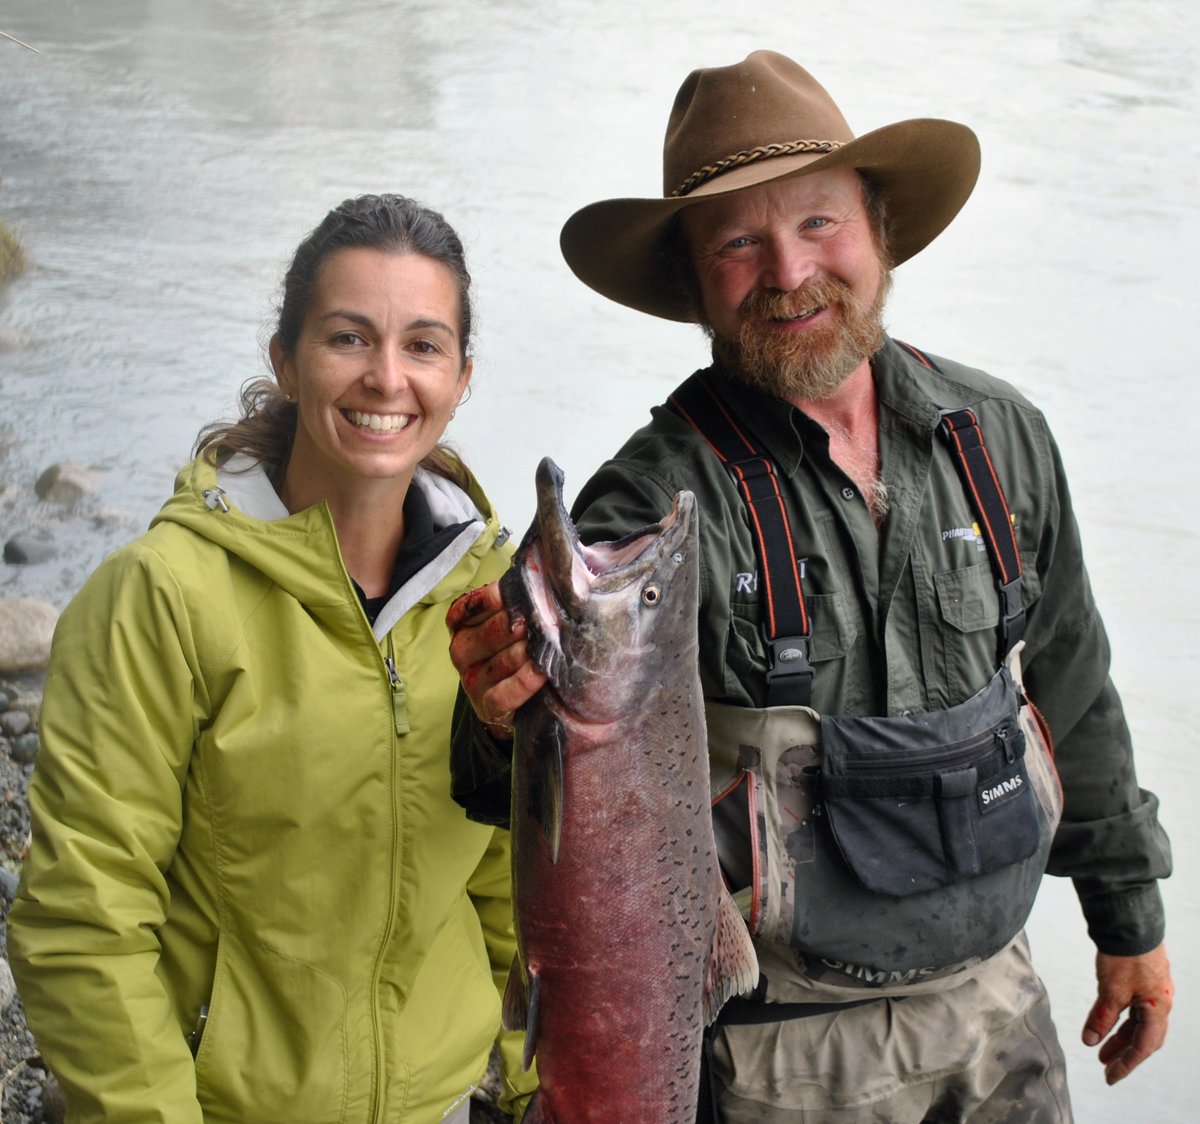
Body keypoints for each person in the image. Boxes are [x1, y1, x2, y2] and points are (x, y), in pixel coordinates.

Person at [445, 51, 1174, 1122]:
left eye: (820, 223)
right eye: (739, 241)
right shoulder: (642, 510)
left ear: (879, 230)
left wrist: (1130, 917)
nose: (789, 272)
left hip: (1001, 1016)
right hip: (768, 1062)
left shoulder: (1003, 438)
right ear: (694, 281)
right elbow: (504, 787)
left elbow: (1073, 683)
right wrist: (496, 711)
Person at [9, 194, 536, 1123]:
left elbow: (514, 881)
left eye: (422, 345)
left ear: (461, 377)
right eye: (347, 338)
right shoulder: (162, 597)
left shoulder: (496, 606)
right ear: (285, 362)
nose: (385, 378)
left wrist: (525, 1080)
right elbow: (84, 919)